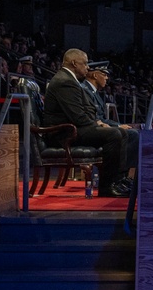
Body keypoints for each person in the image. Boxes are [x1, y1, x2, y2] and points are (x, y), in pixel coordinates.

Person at [42, 48, 129, 198]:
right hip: (63, 133)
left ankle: (118, 181)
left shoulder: (69, 80)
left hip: (72, 129)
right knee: (114, 134)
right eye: (85, 64)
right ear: (74, 63)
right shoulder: (65, 81)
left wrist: (97, 123)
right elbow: (78, 117)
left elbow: (83, 113)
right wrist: (98, 125)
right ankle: (106, 187)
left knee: (121, 132)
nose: (87, 67)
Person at [83, 63, 138, 186]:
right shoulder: (84, 90)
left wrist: (118, 125)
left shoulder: (94, 92)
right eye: (104, 74)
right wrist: (117, 127)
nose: (107, 78)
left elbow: (102, 118)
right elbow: (95, 119)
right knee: (131, 135)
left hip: (99, 127)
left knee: (131, 132)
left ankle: (123, 177)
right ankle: (119, 177)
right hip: (91, 130)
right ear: (95, 75)